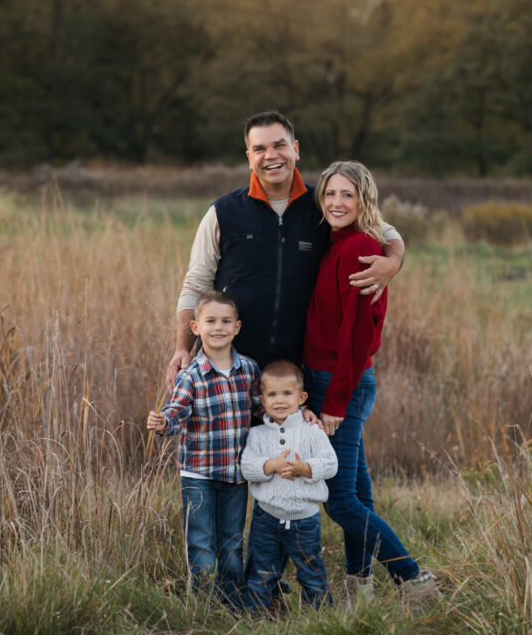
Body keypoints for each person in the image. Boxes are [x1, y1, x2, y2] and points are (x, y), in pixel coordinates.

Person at [167, 110, 404, 378]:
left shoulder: (325, 206)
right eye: (260, 149)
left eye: (279, 145)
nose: (271, 155)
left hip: (297, 376)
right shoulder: (223, 213)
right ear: (249, 158)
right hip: (228, 369)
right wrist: (182, 349)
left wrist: (393, 263)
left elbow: (387, 233)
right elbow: (196, 284)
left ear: (295, 149)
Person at [301, 161, 440, 606]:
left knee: (339, 501)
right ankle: (358, 587)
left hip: (342, 384)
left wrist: (335, 402)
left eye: (348, 195)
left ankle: (414, 582)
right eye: (330, 194)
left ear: (364, 201)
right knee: (357, 493)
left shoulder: (360, 247)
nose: (337, 203)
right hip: (333, 381)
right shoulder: (338, 241)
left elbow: (357, 338)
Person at [146, 290, 258, 610]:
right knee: (201, 543)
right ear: (196, 328)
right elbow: (176, 414)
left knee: (232, 543)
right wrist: (162, 422)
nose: (218, 327)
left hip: (235, 474)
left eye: (225, 321)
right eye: (210, 321)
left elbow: (263, 412)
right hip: (198, 473)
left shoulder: (249, 370)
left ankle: (233, 605)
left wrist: (298, 417)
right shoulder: (190, 376)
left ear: (237, 327)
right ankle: (204, 607)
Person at [241, 361, 338, 611]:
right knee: (262, 571)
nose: (279, 400)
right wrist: (271, 465)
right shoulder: (258, 434)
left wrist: (304, 469)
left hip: (304, 520)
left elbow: (330, 464)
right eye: (272, 394)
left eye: (287, 393)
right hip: (267, 518)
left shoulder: (312, 431)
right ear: (262, 400)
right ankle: (255, 617)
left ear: (301, 397)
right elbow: (247, 467)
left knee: (310, 571)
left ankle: (322, 617)